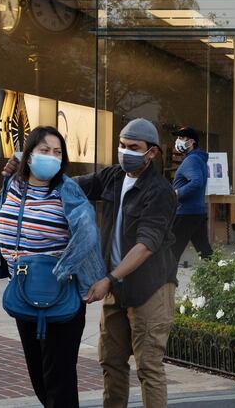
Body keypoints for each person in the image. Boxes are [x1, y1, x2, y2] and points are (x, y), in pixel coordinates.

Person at [0, 126, 105, 408]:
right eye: (44, 150)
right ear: (28, 155)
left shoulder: (66, 189)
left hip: (61, 297)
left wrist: (61, 272)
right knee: (38, 376)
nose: (51, 156)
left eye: (58, 152)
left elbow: (87, 232)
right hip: (24, 291)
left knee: (58, 381)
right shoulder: (13, 185)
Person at [78, 118, 177, 408]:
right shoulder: (113, 177)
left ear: (152, 153)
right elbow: (74, 188)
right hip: (117, 288)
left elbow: (146, 245)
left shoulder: (160, 192)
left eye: (134, 147)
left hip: (151, 287)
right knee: (111, 361)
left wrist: (109, 278)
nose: (125, 152)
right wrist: (29, 174)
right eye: (122, 146)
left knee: (148, 366)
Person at [170, 126, 212, 264]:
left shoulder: (191, 160)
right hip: (197, 212)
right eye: (178, 138)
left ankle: (165, 283)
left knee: (170, 253)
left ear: (191, 142)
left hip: (185, 213)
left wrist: (177, 193)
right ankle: (226, 282)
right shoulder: (198, 159)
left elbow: (196, 182)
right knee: (206, 253)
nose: (178, 141)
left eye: (182, 138)